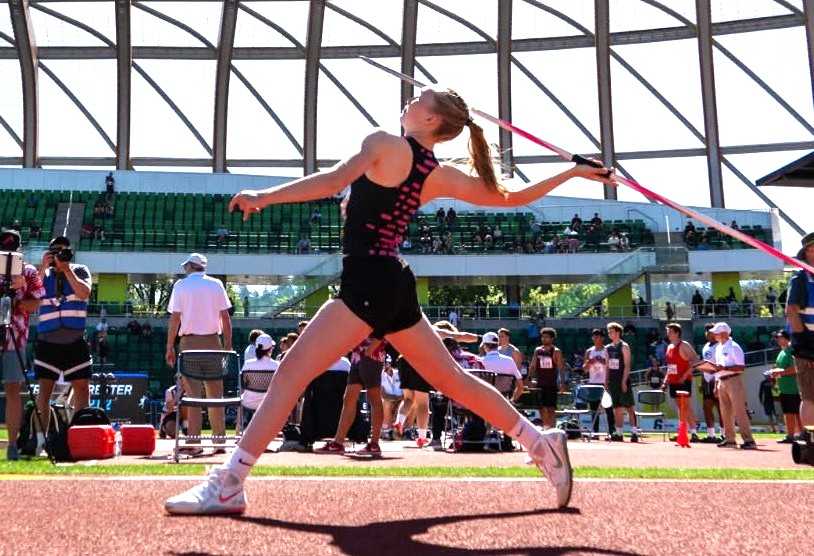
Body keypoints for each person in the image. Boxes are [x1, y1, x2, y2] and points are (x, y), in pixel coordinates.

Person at [165, 85, 614, 514]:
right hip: (391, 280)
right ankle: (540, 442)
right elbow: (511, 197)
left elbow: (332, 181)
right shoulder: (436, 174)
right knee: (453, 380)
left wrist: (265, 196)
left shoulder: (383, 143)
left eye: (420, 98)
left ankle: (229, 483)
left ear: (432, 118)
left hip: (369, 281)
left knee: (291, 374)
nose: (410, 99)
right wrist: (572, 172)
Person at [164, 253, 233, 456]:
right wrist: (227, 346)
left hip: (189, 343)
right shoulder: (216, 284)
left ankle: (194, 441)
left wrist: (170, 346)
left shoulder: (181, 286)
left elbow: (175, 320)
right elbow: (226, 319)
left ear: (191, 266)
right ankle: (219, 441)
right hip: (213, 342)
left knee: (193, 395)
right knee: (215, 395)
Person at [34, 236, 93, 453]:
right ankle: (41, 439)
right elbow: (33, 295)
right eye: (55, 250)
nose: (59, 254)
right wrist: (43, 267)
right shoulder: (43, 273)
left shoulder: (80, 270)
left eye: (63, 250)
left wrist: (66, 270)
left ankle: (80, 434)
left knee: (82, 387)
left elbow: (84, 293)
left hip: (74, 339)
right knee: (45, 391)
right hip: (48, 341)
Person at [0, 229, 44, 460]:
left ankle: (13, 445)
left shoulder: (28, 272)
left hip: (15, 338)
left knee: (13, 390)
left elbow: (35, 304)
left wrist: (17, 291)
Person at [316, 338, 386, 456]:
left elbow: (383, 327)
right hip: (357, 354)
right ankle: (338, 443)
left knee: (374, 398)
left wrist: (370, 350)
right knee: (349, 398)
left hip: (372, 354)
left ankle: (374, 444)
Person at [708, 322, 756, 449]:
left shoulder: (734, 346)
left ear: (724, 333)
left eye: (716, 332)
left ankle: (749, 440)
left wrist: (725, 368)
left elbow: (741, 367)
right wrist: (716, 383)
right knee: (725, 412)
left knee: (740, 411)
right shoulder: (718, 347)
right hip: (722, 381)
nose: (714, 334)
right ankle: (730, 439)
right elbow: (718, 367)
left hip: (734, 380)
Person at [785, 232, 814, 432]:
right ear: (807, 253)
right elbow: (791, 311)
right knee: (810, 395)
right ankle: (811, 440)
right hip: (808, 344)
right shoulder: (800, 278)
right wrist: (805, 344)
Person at [662, 323, 700, 442]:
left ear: (677, 333)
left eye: (670, 332)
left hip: (683, 381)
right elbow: (670, 366)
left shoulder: (684, 345)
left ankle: (693, 433)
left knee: (685, 406)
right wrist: (665, 381)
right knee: (680, 407)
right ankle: (683, 432)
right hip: (673, 381)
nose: (668, 334)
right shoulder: (669, 347)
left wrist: (685, 375)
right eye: (667, 332)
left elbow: (695, 360)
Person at [605, 322, 639, 442]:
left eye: (612, 331)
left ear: (618, 332)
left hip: (622, 379)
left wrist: (624, 381)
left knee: (629, 407)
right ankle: (619, 433)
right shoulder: (607, 348)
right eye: (608, 332)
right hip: (613, 381)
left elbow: (627, 365)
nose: (610, 334)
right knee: (617, 408)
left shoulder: (624, 346)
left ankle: (634, 432)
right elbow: (607, 366)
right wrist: (606, 381)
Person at [393, 349, 434, 447]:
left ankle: (399, 421)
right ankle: (422, 438)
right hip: (420, 360)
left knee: (408, 399)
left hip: (403, 359)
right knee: (423, 404)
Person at [528, 328, 564, 429]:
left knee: (551, 408)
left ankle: (552, 429)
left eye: (547, 337)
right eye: (542, 337)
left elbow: (561, 368)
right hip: (540, 383)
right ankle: (546, 427)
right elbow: (533, 366)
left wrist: (562, 383)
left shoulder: (556, 351)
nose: (544, 339)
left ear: (552, 339)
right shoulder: (538, 350)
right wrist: (529, 379)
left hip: (551, 384)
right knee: (541, 408)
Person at [770, 330, 802, 442]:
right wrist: (773, 372)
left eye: (779, 337)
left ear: (786, 338)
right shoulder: (782, 352)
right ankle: (790, 436)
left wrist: (780, 373)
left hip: (794, 388)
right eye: (777, 338)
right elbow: (780, 367)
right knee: (788, 412)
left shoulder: (791, 351)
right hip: (784, 388)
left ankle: (803, 435)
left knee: (797, 413)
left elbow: (796, 368)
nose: (778, 340)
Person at [240, 334, 278, 428]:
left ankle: (239, 428)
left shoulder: (248, 364)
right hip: (268, 403)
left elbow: (243, 385)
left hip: (248, 402)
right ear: (270, 349)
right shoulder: (276, 365)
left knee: (240, 396)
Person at [584, 329, 615, 436]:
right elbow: (585, 369)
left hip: (604, 382)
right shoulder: (589, 351)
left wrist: (602, 361)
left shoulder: (607, 350)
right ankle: (595, 432)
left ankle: (612, 431)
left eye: (598, 337)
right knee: (593, 409)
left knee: (608, 408)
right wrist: (590, 362)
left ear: (602, 338)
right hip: (593, 383)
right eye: (594, 337)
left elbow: (611, 367)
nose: (596, 339)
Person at [699, 323, 722, 442]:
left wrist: (716, 377)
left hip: (717, 379)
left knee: (720, 407)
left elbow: (720, 364)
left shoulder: (719, 346)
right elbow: (705, 363)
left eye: (710, 331)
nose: (707, 333)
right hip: (707, 379)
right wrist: (702, 380)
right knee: (706, 407)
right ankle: (711, 434)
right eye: (706, 331)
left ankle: (724, 434)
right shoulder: (705, 346)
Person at [380, 355, 402, 438]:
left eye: (388, 363)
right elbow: (383, 394)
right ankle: (386, 429)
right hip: (387, 399)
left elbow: (405, 391)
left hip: (400, 399)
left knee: (410, 403)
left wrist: (398, 400)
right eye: (385, 363)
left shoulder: (399, 373)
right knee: (387, 403)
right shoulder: (380, 375)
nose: (386, 365)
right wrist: (395, 399)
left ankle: (405, 430)